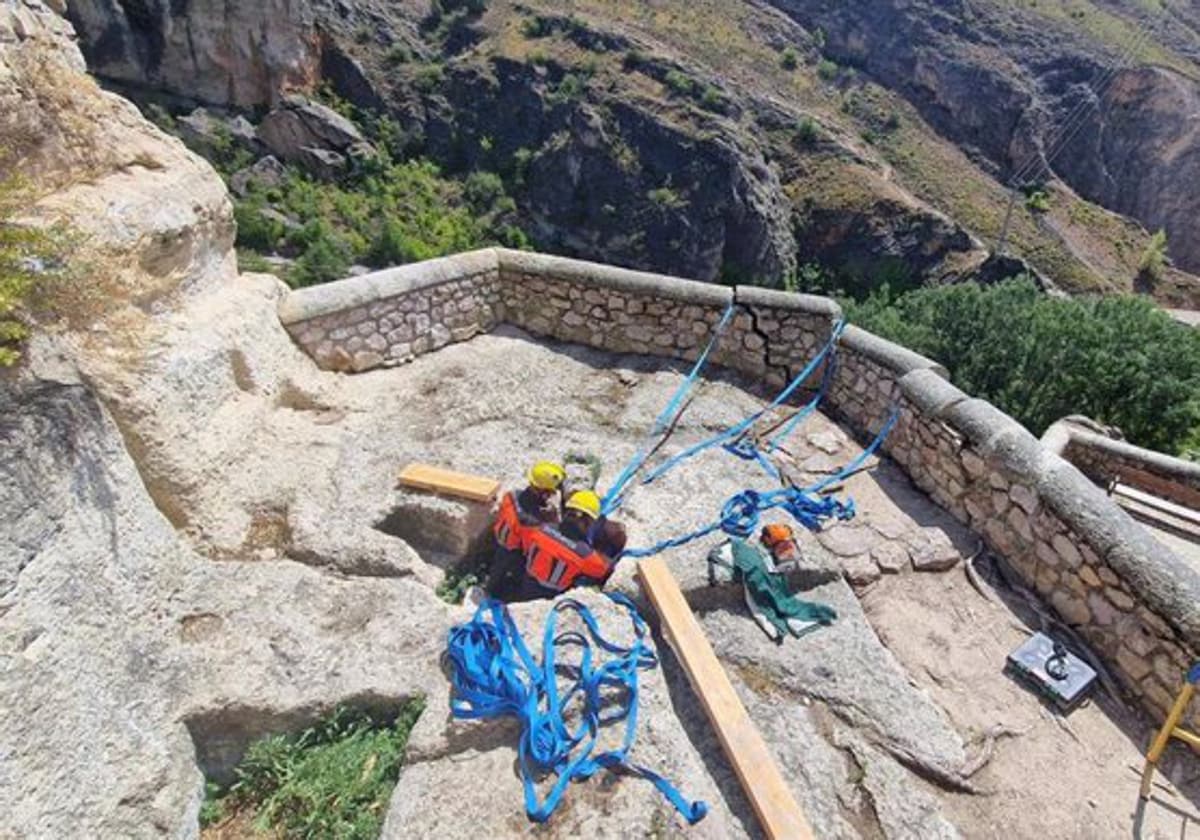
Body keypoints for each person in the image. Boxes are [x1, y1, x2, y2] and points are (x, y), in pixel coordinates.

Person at [707, 522, 836, 643]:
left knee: (781, 598)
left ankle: (803, 615)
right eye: (782, 546)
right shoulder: (751, 554)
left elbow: (788, 560)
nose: (787, 550)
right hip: (757, 564)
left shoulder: (780, 553)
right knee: (761, 584)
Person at [512, 490, 615, 601]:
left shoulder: (539, 529)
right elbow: (604, 571)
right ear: (589, 522)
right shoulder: (584, 555)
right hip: (551, 599)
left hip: (526, 586)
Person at [488, 460, 566, 599]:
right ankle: (504, 596)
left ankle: (491, 589)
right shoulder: (532, 522)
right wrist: (552, 521)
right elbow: (531, 547)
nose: (552, 494)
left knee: (497, 570)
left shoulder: (512, 495)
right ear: (543, 491)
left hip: (500, 540)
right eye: (550, 491)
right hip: (514, 552)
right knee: (516, 576)